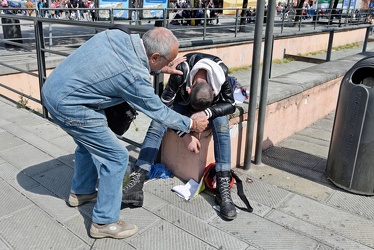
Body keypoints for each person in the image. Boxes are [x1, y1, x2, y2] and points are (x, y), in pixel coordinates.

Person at [41, 27, 209, 239]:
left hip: (54, 88)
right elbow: (158, 111)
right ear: (154, 56)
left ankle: (81, 192)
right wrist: (191, 124)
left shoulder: (116, 35)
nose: (169, 65)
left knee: (89, 142)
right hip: (68, 105)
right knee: (116, 157)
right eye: (167, 61)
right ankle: (103, 222)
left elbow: (124, 65)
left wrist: (159, 68)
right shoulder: (133, 76)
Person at [122, 52, 238, 220]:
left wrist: (206, 112)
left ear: (214, 90)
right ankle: (138, 179)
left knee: (221, 123)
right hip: (183, 105)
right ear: (189, 89)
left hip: (208, 108)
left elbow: (231, 104)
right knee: (157, 123)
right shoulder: (181, 72)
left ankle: (223, 186)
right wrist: (184, 133)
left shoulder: (222, 73)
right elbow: (162, 109)